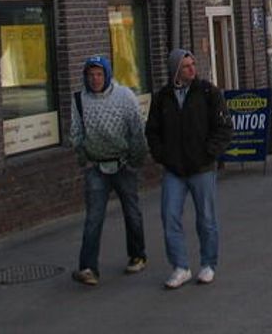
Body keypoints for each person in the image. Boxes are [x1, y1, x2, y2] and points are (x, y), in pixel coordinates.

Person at [146, 49, 233, 289]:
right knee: (169, 216)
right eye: (186, 66)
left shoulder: (207, 93)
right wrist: (162, 155)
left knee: (206, 218)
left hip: (202, 167)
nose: (192, 69)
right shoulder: (162, 97)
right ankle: (180, 266)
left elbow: (224, 127)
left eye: (193, 64)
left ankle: (208, 264)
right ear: (175, 70)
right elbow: (152, 130)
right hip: (174, 169)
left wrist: (209, 152)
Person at [69, 55, 149, 287]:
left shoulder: (125, 97)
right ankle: (88, 267)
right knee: (93, 218)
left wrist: (136, 160)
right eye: (91, 75)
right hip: (96, 165)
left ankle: (137, 255)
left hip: (123, 163)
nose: (95, 79)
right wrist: (82, 157)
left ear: (107, 74)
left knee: (132, 212)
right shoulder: (79, 99)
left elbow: (137, 129)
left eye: (99, 74)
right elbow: (76, 131)